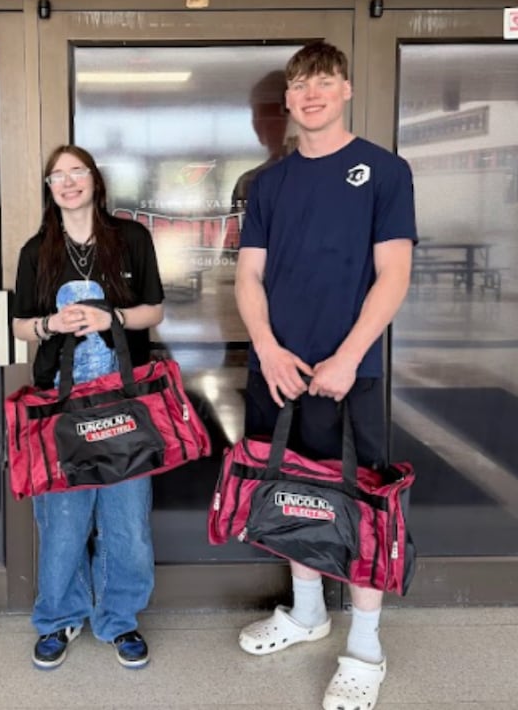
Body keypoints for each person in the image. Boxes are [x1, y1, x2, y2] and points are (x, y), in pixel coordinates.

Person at [233, 42, 416, 710]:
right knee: (290, 495)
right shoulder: (269, 185)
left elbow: (394, 273)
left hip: (352, 372)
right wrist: (268, 347)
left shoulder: (384, 171)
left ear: (345, 90)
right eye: (299, 84)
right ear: (287, 101)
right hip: (278, 371)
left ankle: (365, 649)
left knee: (363, 504)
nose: (311, 94)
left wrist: (348, 356)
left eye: (324, 82)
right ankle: (307, 613)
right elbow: (248, 275)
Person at [12, 144, 164, 670]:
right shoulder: (37, 250)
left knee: (127, 520)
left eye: (77, 172)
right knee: (63, 519)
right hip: (60, 401)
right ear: (49, 189)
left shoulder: (131, 240)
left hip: (125, 398)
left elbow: (155, 310)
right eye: (57, 175)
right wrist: (51, 325)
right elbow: (20, 324)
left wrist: (111, 320)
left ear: (95, 180)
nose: (68, 182)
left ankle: (120, 619)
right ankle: (58, 617)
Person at [230, 69, 291, 214]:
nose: (258, 125)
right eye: (255, 116)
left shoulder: (326, 178)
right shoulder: (248, 183)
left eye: (266, 114)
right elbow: (237, 235)